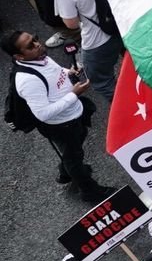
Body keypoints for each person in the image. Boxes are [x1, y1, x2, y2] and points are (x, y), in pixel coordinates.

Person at [3, 30, 113, 198]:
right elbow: (43, 114)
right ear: (19, 56)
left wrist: (68, 72)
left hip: (73, 115)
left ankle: (66, 171)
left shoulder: (40, 57)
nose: (37, 44)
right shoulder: (27, 81)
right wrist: (74, 95)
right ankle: (90, 191)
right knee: (74, 158)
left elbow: (55, 70)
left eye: (35, 38)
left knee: (75, 147)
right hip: (62, 126)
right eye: (30, 45)